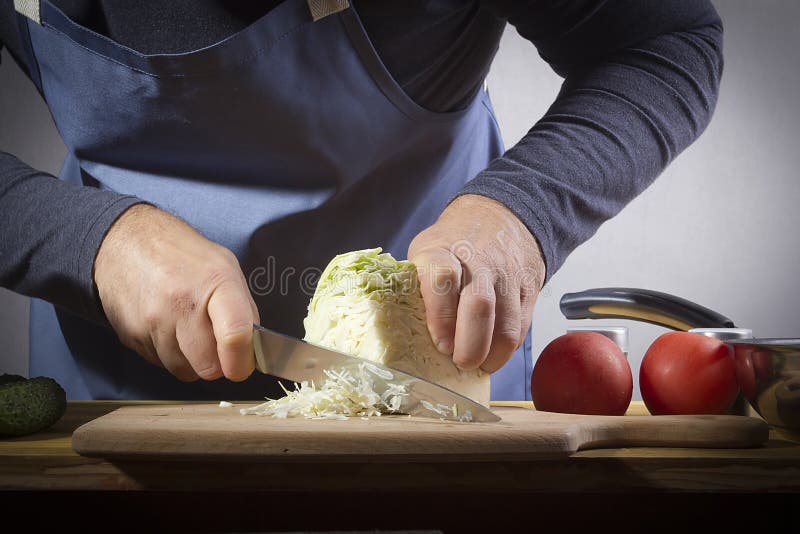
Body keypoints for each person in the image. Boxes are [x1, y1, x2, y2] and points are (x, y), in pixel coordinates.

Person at [0, 0, 723, 401]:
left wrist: (520, 211)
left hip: (427, 400)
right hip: (109, 397)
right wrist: (85, 240)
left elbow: (665, 42)